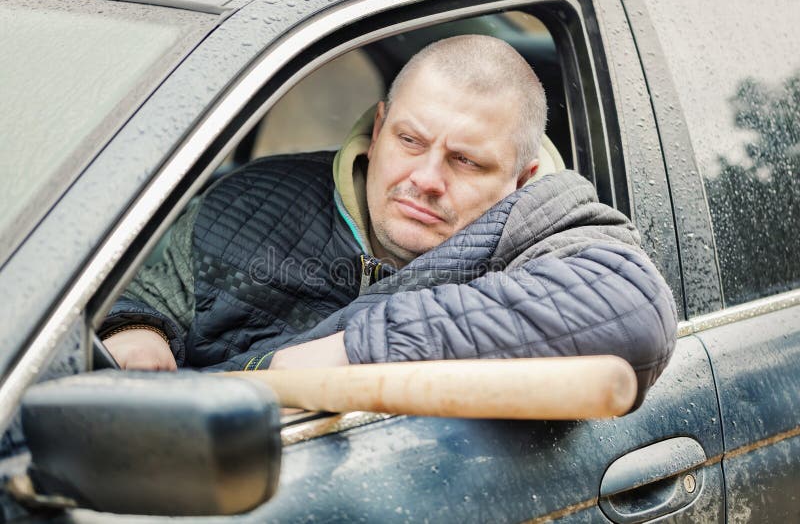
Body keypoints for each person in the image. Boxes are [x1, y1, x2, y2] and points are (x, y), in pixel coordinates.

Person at [101, 35, 677, 406]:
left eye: (466, 160)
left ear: (522, 179)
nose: (426, 177)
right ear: (378, 130)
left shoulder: (548, 230)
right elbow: (135, 296)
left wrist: (349, 351)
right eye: (409, 140)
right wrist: (134, 333)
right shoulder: (246, 199)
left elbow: (634, 309)